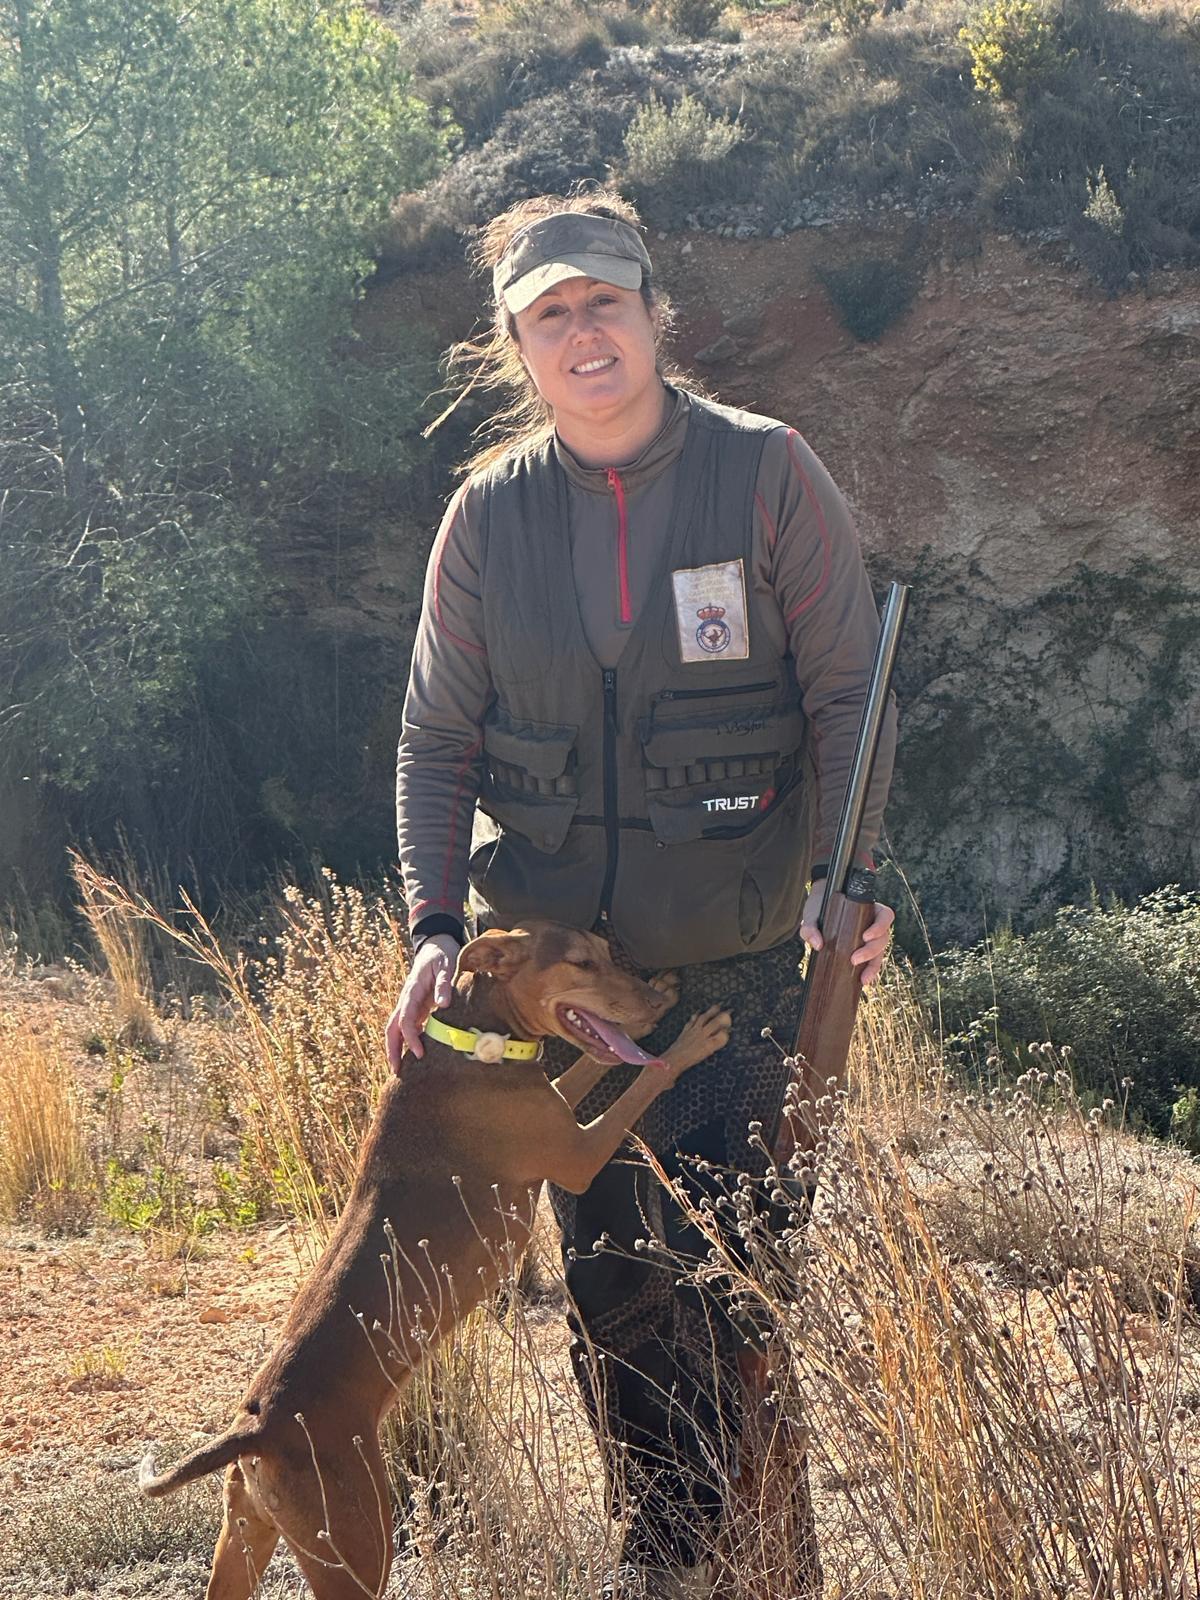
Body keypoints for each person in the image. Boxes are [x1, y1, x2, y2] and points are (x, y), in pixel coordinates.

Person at [387, 190, 897, 1597]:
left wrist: (850, 881)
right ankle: (665, 1566)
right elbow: (437, 739)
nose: (584, 330)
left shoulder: (768, 474)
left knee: (746, 1298)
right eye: (550, 312)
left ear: (658, 313)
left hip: (732, 988)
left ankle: (772, 1561)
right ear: (515, 344)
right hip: (574, 1015)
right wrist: (435, 927)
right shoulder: (488, 519)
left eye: (605, 299)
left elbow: (849, 689)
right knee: (617, 1299)